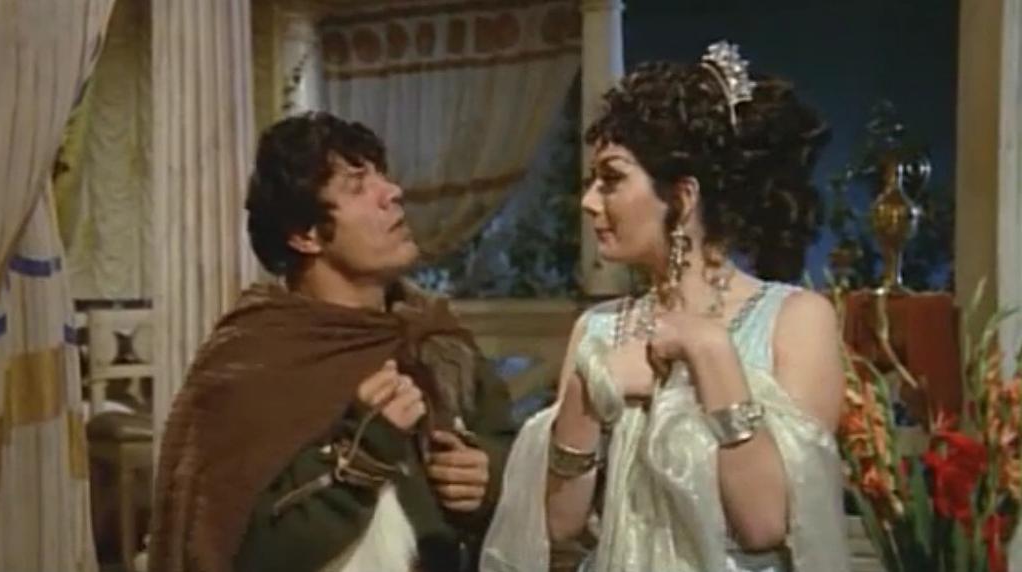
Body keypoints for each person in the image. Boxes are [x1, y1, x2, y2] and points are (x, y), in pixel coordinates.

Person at [481, 41, 850, 571]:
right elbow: (559, 524)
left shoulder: (795, 319)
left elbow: (766, 523)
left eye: (611, 179)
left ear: (682, 197)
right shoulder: (599, 328)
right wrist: (591, 388)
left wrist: (710, 352)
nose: (589, 202)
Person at [149, 111, 516, 572]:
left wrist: (489, 476)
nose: (392, 193)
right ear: (305, 235)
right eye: (358, 186)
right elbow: (233, 548)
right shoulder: (253, 361)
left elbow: (510, 453)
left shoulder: (435, 341)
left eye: (383, 175)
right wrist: (361, 457)